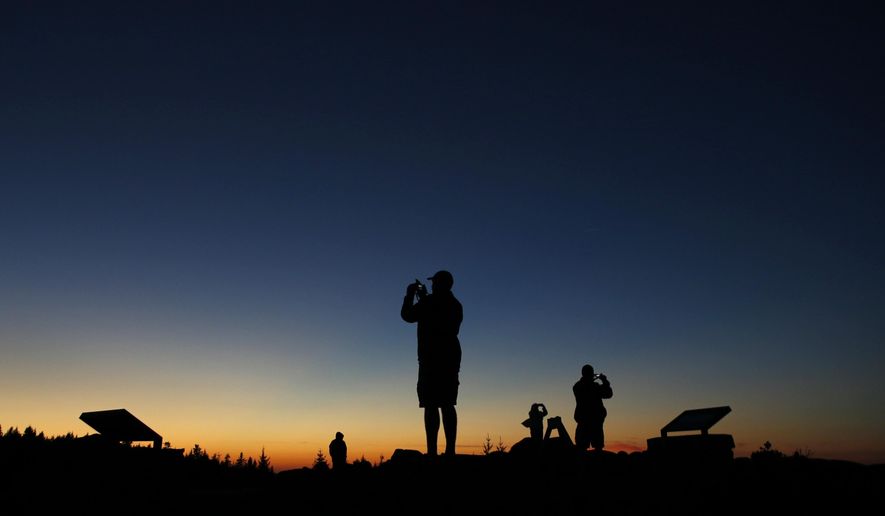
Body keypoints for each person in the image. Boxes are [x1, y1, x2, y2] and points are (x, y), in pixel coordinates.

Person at [401, 270, 463, 456]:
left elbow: (407, 315)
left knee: (430, 404)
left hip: (431, 358)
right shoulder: (454, 304)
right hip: (450, 357)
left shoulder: (429, 303)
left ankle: (432, 452)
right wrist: (425, 298)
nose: (433, 285)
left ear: (439, 284)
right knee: (447, 403)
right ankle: (450, 450)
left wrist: (410, 294)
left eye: (435, 283)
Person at [573, 364, 613, 451]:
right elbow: (608, 394)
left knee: (581, 446)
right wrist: (605, 381)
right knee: (597, 446)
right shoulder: (594, 387)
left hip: (584, 419)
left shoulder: (577, 386)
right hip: (594, 420)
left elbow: (608, 394)